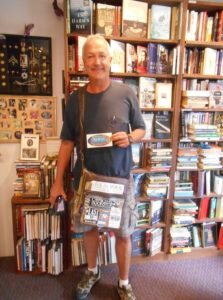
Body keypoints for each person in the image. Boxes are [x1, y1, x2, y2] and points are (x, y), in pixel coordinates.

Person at [50, 34, 145, 300]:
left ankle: (124, 283)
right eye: (90, 56)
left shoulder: (126, 93)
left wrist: (130, 137)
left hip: (120, 179)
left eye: (102, 55)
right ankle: (92, 271)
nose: (97, 61)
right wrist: (57, 182)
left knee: (123, 233)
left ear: (110, 59)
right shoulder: (75, 99)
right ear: (83, 62)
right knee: (89, 229)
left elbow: (141, 128)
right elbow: (67, 143)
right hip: (88, 180)